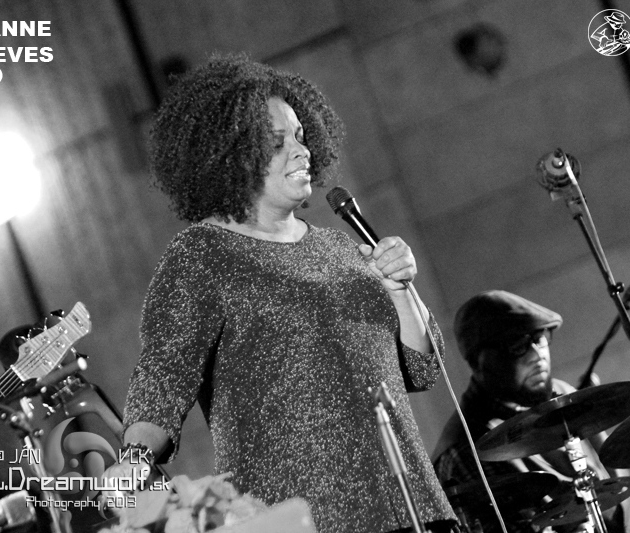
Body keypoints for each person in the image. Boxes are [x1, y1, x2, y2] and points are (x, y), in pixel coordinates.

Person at [106, 54, 457, 533]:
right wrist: (131, 464)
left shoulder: (340, 247)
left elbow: (422, 368)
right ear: (229, 156)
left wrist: (400, 292)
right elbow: (164, 375)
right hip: (303, 517)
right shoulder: (202, 254)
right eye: (277, 142)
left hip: (413, 504)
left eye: (300, 135)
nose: (301, 150)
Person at [432, 290, 630, 533]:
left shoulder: (560, 394)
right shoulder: (465, 448)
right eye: (518, 345)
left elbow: (617, 480)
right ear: (478, 362)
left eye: (540, 339)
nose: (537, 355)